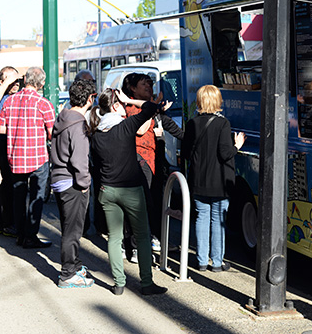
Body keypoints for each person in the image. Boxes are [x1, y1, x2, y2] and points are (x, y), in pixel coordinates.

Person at [89, 87, 167, 296]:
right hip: (131, 190)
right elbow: (152, 107)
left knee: (114, 238)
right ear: (116, 106)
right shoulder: (125, 127)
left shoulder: (96, 136)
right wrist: (132, 100)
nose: (125, 106)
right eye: (122, 104)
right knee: (142, 236)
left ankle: (118, 284)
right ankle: (146, 283)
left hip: (107, 190)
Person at [181, 85, 245, 272]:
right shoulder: (222, 123)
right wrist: (237, 146)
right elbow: (225, 153)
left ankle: (201, 261)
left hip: (198, 180)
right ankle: (217, 262)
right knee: (218, 220)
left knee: (201, 218)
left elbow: (185, 153)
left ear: (200, 101)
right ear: (218, 101)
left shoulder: (192, 123)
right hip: (220, 182)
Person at [121, 72, 183, 256]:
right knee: (140, 205)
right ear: (132, 89)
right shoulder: (132, 107)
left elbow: (173, 129)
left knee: (156, 203)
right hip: (141, 161)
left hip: (156, 161)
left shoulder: (153, 108)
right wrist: (153, 109)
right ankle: (132, 245)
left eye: (150, 83)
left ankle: (157, 238)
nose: (149, 86)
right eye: (144, 84)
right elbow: (139, 130)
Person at [0, 67, 55, 248]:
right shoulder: (44, 104)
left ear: (25, 80)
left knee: (18, 197)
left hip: (14, 158)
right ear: (42, 83)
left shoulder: (8, 103)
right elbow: (51, 134)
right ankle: (30, 236)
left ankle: (20, 234)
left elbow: (1, 132)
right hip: (37, 159)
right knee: (36, 198)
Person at [51, 79, 96, 288]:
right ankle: (68, 274)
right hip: (72, 183)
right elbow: (79, 160)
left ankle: (75, 265)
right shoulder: (78, 125)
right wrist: (85, 182)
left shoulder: (63, 117)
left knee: (68, 227)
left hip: (60, 179)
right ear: (90, 99)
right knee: (72, 231)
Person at [0, 66, 21, 238]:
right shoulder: (2, 97)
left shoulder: (18, 98)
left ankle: (9, 222)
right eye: (10, 81)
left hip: (14, 146)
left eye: (17, 80)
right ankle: (6, 224)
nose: (15, 84)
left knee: (11, 185)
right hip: (1, 144)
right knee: (6, 185)